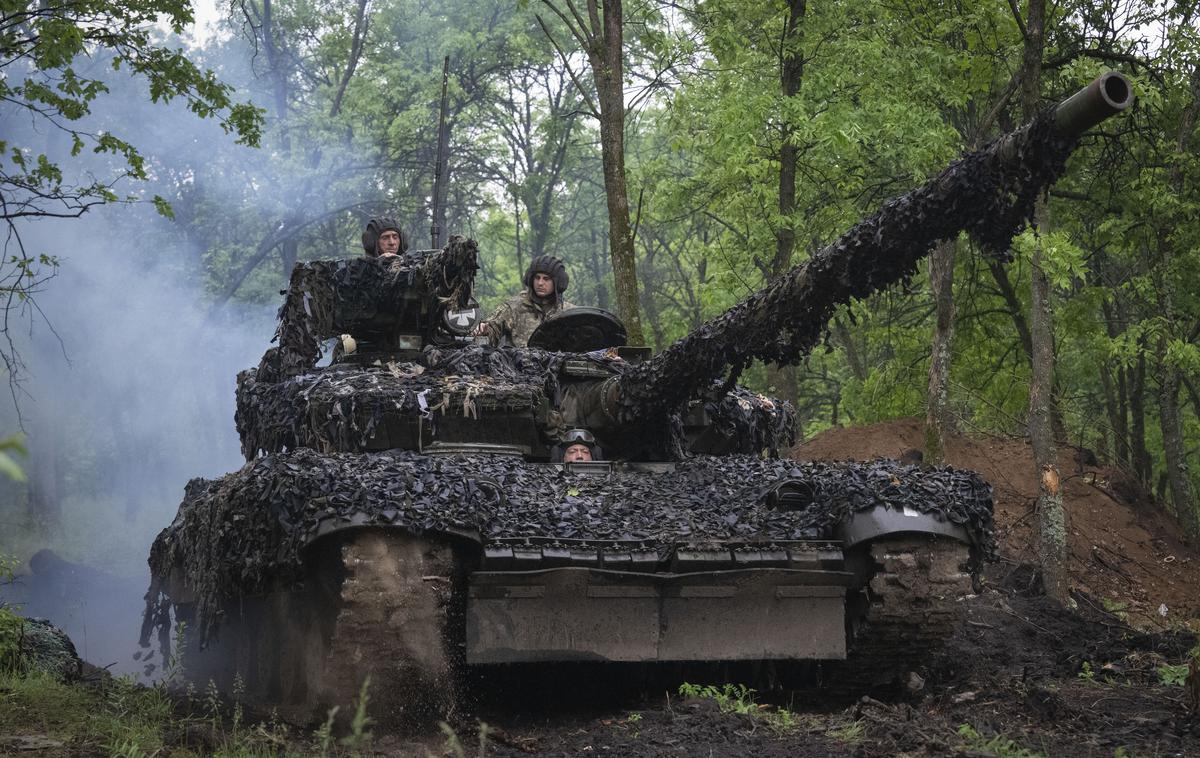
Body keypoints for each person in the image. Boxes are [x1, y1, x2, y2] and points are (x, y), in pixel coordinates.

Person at [474, 255, 574, 347]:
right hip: (519, 364)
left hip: (556, 364)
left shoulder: (568, 313)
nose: (540, 283)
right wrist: (484, 330)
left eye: (546, 279)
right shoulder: (514, 307)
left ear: (557, 283)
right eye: (537, 278)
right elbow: (492, 328)